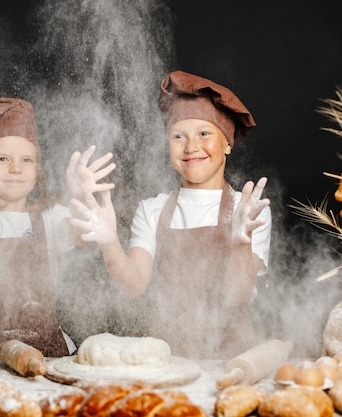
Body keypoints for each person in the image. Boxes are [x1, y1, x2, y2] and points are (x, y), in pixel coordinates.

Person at [70, 70, 272, 359]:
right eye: (178, 136)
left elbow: (236, 295)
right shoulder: (152, 209)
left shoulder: (249, 209)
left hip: (231, 359)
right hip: (164, 358)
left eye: (204, 134)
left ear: (227, 143)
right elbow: (133, 286)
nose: (191, 147)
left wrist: (241, 243)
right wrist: (109, 242)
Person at [0, 97, 115, 358]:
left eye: (27, 160)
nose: (16, 169)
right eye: (2, 159)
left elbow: (78, 233)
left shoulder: (50, 217)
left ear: (37, 170)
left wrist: (80, 199)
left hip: (47, 345)